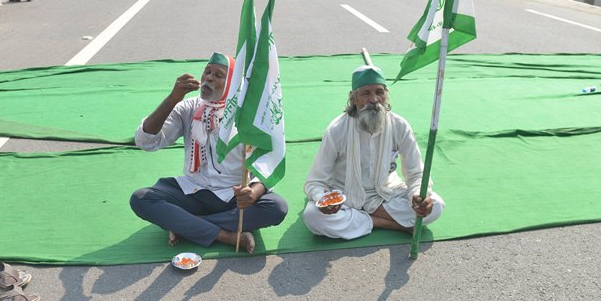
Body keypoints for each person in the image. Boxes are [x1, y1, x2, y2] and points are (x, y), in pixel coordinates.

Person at [130, 52, 289, 253]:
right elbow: (146, 141)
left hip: (234, 196)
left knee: (276, 207)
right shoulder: (189, 107)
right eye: (207, 72)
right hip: (193, 191)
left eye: (218, 75)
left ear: (232, 83)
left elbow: (268, 160)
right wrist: (172, 99)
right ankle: (225, 235)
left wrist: (254, 192)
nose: (209, 78)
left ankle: (189, 224)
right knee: (141, 198)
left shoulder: (247, 113)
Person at [302, 64, 445, 240]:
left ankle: (363, 218)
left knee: (436, 206)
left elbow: (416, 174)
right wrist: (322, 198)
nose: (374, 99)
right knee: (313, 217)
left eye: (379, 92)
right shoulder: (337, 129)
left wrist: (418, 197)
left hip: (385, 193)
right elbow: (314, 182)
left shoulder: (399, 126)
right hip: (343, 195)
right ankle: (390, 224)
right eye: (366, 93)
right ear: (354, 99)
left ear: (386, 96)